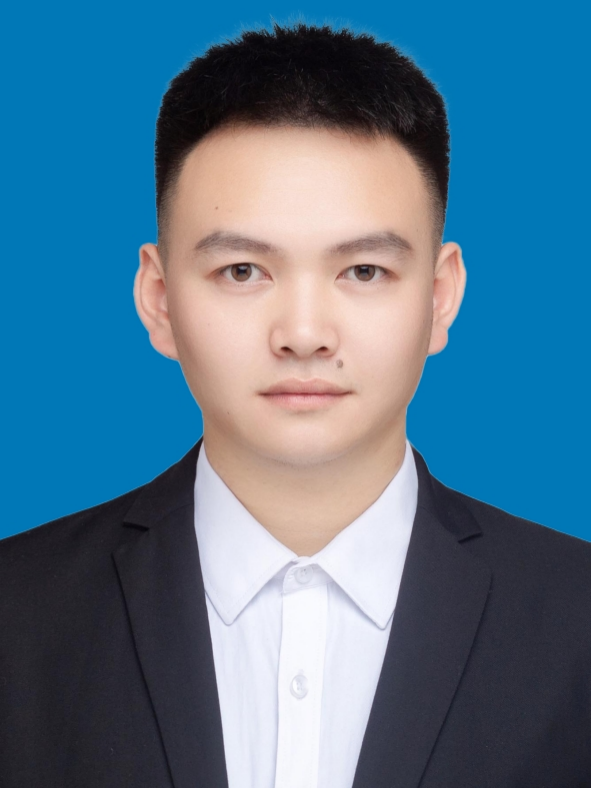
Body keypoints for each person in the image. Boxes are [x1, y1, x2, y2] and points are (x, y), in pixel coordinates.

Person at [0, 22, 589, 788]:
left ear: (440, 296)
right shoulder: (18, 611)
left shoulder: (575, 617)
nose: (304, 334)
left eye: (364, 271)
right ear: (159, 299)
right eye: (243, 271)